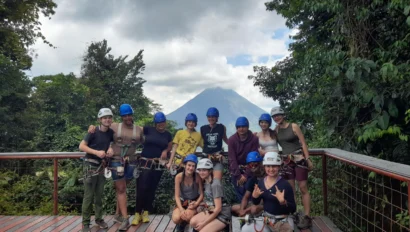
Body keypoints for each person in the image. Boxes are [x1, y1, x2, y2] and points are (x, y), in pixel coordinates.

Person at [89, 104, 143, 231]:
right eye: (125, 116)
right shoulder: (114, 126)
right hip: (116, 161)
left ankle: (117, 215)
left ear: (132, 115)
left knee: (122, 188)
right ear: (122, 117)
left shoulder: (139, 129)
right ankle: (125, 219)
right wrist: (91, 127)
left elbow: (150, 138)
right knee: (121, 188)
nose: (128, 118)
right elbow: (100, 129)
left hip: (131, 161)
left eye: (129, 115)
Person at [271, 106, 312, 229]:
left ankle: (307, 216)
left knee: (303, 187)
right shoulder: (276, 130)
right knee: (291, 189)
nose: (277, 117)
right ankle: (294, 213)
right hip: (286, 161)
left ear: (283, 115)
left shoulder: (293, 126)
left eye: (278, 115)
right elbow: (269, 140)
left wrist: (308, 158)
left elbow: (303, 143)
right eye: (274, 116)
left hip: (299, 159)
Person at [132, 112, 173, 225]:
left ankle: (145, 212)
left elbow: (170, 145)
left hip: (158, 164)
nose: (161, 124)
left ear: (165, 122)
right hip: (145, 162)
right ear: (155, 123)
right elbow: (134, 128)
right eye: (158, 123)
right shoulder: (148, 129)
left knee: (151, 188)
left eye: (162, 122)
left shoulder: (168, 134)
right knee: (142, 188)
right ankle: (137, 214)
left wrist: (165, 151)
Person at [241, 152, 296, 232]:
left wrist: (283, 202)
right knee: (245, 229)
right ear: (264, 167)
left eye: (274, 166)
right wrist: (255, 197)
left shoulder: (285, 185)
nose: (271, 169)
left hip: (282, 221)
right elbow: (256, 202)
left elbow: (293, 209)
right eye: (268, 166)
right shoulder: (261, 183)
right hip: (266, 220)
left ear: (279, 167)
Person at [79, 108, 114, 232]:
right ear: (100, 120)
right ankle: (86, 224)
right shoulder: (93, 131)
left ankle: (99, 219)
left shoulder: (111, 133)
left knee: (99, 195)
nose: (107, 120)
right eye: (105, 118)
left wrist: (111, 149)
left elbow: (111, 144)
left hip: (101, 167)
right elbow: (81, 146)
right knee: (88, 196)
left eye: (109, 117)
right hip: (90, 166)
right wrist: (96, 152)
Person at [190, 158, 231, 231]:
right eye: (200, 170)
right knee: (193, 222)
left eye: (204, 170)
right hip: (211, 210)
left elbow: (218, 209)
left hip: (222, 214)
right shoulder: (205, 182)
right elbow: (209, 200)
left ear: (210, 171)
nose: (201, 172)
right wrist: (199, 204)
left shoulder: (215, 184)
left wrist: (203, 223)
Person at [227, 116, 259, 202]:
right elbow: (232, 159)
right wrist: (238, 175)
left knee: (249, 185)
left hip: (250, 167)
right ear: (236, 128)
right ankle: (241, 205)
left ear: (247, 127)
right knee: (238, 186)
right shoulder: (232, 140)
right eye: (239, 127)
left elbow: (254, 158)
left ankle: (251, 205)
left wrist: (246, 175)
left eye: (243, 127)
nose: (241, 129)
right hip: (237, 168)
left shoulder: (254, 139)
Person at [172, 154, 204, 232]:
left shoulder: (197, 177)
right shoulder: (179, 177)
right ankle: (181, 224)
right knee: (176, 218)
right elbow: (176, 196)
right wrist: (181, 209)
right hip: (183, 201)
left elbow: (202, 194)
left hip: (194, 202)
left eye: (193, 166)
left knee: (188, 216)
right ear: (185, 165)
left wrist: (196, 204)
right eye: (189, 165)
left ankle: (192, 223)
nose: (191, 168)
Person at [231, 151, 264, 218]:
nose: (253, 167)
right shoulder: (254, 178)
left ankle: (249, 215)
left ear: (260, 163)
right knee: (233, 208)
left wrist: (245, 211)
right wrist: (241, 210)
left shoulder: (266, 177)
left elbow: (264, 202)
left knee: (254, 209)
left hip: (265, 205)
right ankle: (246, 215)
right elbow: (246, 197)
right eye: (251, 165)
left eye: (255, 164)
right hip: (254, 204)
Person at [200, 107, 228, 180]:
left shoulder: (221, 127)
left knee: (216, 181)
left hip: (217, 156)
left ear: (217, 118)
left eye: (213, 117)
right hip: (206, 156)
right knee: (205, 181)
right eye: (209, 117)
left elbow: (224, 138)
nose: (211, 118)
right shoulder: (203, 128)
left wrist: (233, 146)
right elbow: (201, 141)